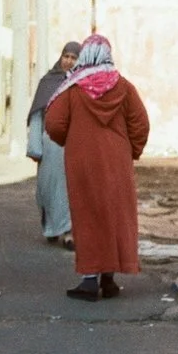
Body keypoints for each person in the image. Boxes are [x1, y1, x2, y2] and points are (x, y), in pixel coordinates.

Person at [44, 33, 150, 301]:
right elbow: (140, 124)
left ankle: (89, 280)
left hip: (82, 160)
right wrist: (130, 151)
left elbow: (54, 123)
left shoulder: (73, 88)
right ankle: (109, 279)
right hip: (117, 161)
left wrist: (70, 139)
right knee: (112, 215)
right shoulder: (124, 86)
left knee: (87, 214)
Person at [26, 41, 81, 248]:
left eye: (74, 57)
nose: (68, 61)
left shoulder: (82, 84)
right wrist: (34, 147)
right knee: (48, 188)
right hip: (50, 144)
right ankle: (51, 226)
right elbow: (37, 116)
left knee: (68, 189)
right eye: (66, 56)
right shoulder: (48, 81)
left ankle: (68, 232)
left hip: (74, 143)